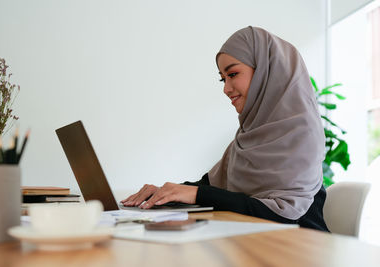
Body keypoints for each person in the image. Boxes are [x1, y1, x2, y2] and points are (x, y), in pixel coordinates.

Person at [121, 26, 329, 231]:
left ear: (267, 71)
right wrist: (164, 193)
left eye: (233, 74)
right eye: (223, 78)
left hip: (300, 250)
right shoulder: (250, 135)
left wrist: (195, 194)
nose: (226, 88)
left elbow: (282, 216)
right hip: (253, 244)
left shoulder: (302, 134)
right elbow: (211, 185)